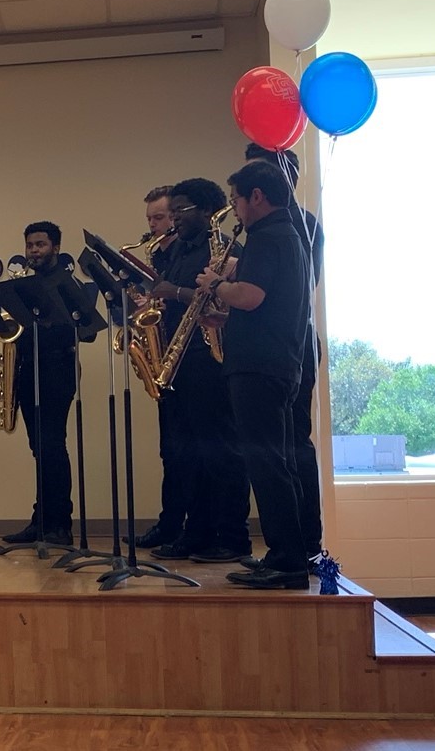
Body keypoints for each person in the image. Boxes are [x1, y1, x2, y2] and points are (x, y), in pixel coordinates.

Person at [198, 162, 311, 589]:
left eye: (237, 200)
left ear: (257, 197)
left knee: (267, 465)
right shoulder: (288, 237)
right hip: (275, 364)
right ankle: (284, 554)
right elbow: (267, 307)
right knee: (273, 463)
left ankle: (288, 561)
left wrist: (215, 283)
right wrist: (224, 319)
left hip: (259, 369)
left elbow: (248, 296)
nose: (236, 209)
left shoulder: (267, 238)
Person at [146, 178, 250, 563]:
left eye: (180, 211)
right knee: (189, 453)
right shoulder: (176, 252)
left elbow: (221, 301)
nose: (173, 219)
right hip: (179, 359)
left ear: (208, 211)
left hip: (210, 360)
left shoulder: (222, 250)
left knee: (221, 450)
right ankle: (198, 531)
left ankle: (233, 536)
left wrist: (170, 291)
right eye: (170, 212)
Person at [244, 143, 325, 560]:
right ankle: (294, 545)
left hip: (288, 344)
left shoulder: (300, 226)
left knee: (290, 445)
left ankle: (303, 544)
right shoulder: (264, 228)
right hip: (271, 343)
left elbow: (288, 292)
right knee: (275, 447)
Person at [2, 222, 95, 546]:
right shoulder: (24, 286)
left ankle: (61, 526)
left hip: (57, 367)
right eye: (30, 245)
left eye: (40, 245)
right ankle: (41, 521)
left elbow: (89, 330)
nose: (34, 251)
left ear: (56, 247)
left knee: (53, 444)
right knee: (39, 447)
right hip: (28, 369)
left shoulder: (67, 283)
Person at [135, 183, 181, 548]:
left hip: (189, 359)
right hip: (164, 359)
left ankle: (184, 528)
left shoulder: (186, 254)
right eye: (150, 219)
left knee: (186, 450)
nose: (153, 226)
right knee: (170, 450)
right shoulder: (159, 256)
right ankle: (170, 524)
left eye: (160, 217)